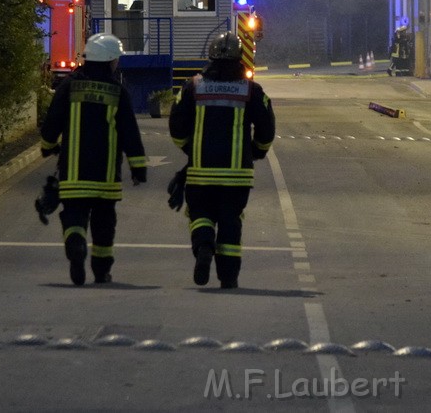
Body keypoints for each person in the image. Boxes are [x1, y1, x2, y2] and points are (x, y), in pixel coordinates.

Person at [168, 31, 276, 289]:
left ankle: (204, 247)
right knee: (230, 221)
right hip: (237, 174)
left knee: (201, 214)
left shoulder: (193, 86)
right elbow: (266, 129)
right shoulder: (251, 90)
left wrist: (191, 150)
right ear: (240, 57)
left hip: (200, 172)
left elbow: (177, 127)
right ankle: (228, 277)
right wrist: (257, 150)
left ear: (211, 56)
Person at [40, 33, 148, 286]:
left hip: (73, 174)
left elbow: (52, 120)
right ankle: (101, 272)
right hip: (106, 176)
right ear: (110, 60)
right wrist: (138, 167)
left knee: (74, 215)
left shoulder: (69, 86)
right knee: (104, 225)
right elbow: (129, 131)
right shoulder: (118, 91)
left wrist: (48, 146)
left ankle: (76, 244)